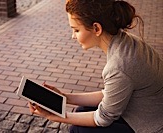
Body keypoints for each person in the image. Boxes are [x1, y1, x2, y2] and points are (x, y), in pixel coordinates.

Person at [28, 0, 163, 133]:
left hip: (148, 126)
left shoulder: (119, 65)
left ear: (96, 28)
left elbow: (104, 118)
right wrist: (65, 97)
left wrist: (55, 117)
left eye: (76, 30)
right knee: (82, 110)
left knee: (78, 129)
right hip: (142, 112)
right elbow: (111, 93)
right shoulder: (126, 41)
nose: (73, 36)